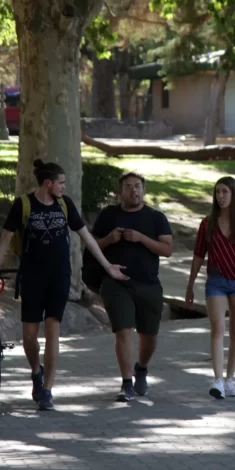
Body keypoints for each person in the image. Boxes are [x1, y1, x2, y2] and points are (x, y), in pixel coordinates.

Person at [0, 160, 128, 411]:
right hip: (31, 278)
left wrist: (108, 266)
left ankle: (48, 391)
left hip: (59, 277)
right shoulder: (23, 205)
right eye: (61, 183)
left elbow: (87, 238)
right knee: (29, 337)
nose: (64, 187)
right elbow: (5, 240)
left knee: (53, 328)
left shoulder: (65, 205)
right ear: (48, 184)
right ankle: (36, 371)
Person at [92, 172, 173, 402]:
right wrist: (109, 239)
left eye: (137, 186)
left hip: (148, 283)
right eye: (128, 187)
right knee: (123, 331)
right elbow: (92, 245)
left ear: (144, 190)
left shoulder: (155, 217)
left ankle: (142, 368)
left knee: (149, 336)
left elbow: (167, 249)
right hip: (116, 283)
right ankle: (126, 383)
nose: (133, 191)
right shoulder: (109, 215)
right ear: (120, 192)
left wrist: (141, 238)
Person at [185, 177, 235, 399]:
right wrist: (190, 285)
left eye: (225, 192)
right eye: (217, 192)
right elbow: (199, 255)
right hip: (216, 280)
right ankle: (217, 380)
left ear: (234, 194)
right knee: (218, 327)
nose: (221, 196)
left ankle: (230, 380)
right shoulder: (207, 223)